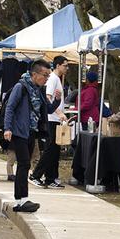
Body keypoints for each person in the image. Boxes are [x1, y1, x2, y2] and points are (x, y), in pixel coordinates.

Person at [3, 60, 52, 213]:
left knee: (26, 164)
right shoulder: (21, 87)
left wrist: (56, 99)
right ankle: (21, 200)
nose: (46, 78)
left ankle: (22, 200)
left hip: (32, 131)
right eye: (45, 75)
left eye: (48, 76)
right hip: (19, 131)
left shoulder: (39, 89)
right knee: (24, 163)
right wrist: (7, 128)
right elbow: (10, 108)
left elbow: (47, 109)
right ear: (34, 74)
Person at [30, 57, 69, 189]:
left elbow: (54, 99)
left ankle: (51, 178)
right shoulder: (52, 78)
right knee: (50, 149)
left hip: (55, 119)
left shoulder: (56, 79)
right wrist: (59, 113)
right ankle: (36, 174)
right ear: (58, 65)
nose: (67, 68)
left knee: (55, 150)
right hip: (51, 119)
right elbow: (47, 98)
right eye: (65, 65)